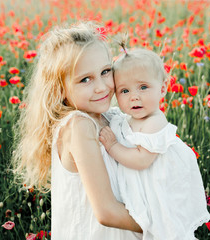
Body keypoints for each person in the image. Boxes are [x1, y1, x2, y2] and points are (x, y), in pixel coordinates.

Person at [11, 22, 142, 240]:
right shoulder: (79, 126)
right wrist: (164, 223)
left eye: (105, 71)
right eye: (85, 79)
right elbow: (106, 212)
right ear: (60, 89)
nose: (101, 86)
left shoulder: (111, 117)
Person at [99, 45, 210, 240]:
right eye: (124, 91)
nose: (134, 96)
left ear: (163, 88)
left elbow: (142, 160)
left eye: (143, 87)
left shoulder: (154, 121)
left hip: (158, 190)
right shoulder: (128, 119)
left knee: (164, 229)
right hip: (142, 186)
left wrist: (113, 146)